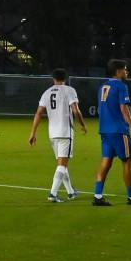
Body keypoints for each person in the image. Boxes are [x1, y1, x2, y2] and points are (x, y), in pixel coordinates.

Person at [26, 70, 83, 201]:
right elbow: (76, 110)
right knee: (62, 165)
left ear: (53, 79)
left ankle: (70, 192)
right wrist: (83, 125)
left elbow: (38, 113)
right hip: (65, 132)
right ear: (66, 78)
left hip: (52, 133)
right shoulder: (69, 90)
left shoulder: (47, 92)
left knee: (61, 163)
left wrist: (33, 132)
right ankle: (53, 193)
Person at [93, 60, 131, 206]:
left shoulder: (102, 86)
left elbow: (100, 109)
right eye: (125, 69)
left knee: (106, 161)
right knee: (127, 161)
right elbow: (124, 110)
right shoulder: (121, 86)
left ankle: (97, 196)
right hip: (119, 131)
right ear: (118, 71)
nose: (127, 72)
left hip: (105, 130)